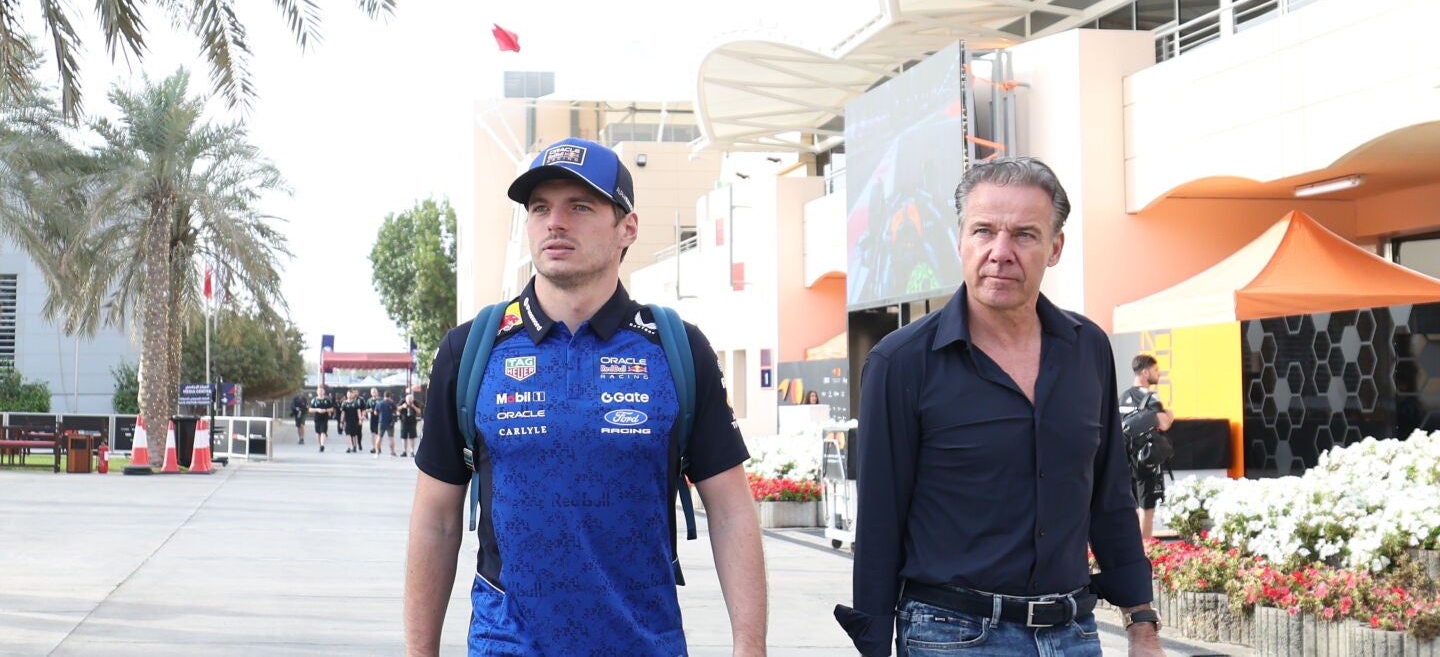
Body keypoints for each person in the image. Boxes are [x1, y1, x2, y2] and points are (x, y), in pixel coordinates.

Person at [404, 137, 767, 656]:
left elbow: (730, 512)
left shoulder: (676, 349)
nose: (555, 223)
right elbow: (436, 521)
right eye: (540, 208)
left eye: (579, 206)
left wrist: (750, 647)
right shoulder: (472, 350)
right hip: (506, 645)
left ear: (628, 228)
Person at [834, 157, 1164, 657]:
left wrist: (1142, 626)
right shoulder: (900, 362)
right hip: (952, 636)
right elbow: (880, 518)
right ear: (960, 240)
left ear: (1055, 248)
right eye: (984, 231)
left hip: (1073, 635)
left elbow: (1111, 498)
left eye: (1024, 235)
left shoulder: (1088, 348)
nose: (1000, 252)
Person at [1121, 355, 1175, 539]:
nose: (1158, 374)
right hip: (1146, 461)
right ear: (1145, 372)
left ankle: (1131, 546)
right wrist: (1169, 414)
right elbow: (1164, 423)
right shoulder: (1149, 396)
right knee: (1147, 510)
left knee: (1132, 509)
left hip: (1125, 460)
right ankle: (1145, 548)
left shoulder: (1122, 397)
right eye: (1155, 370)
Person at [309, 386, 335, 452]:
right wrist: (317, 410)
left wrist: (325, 410)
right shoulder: (314, 400)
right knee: (318, 433)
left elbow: (332, 409)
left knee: (323, 431)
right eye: (319, 391)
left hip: (324, 418)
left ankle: (322, 445)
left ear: (324, 392)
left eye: (321, 391)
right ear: (317, 392)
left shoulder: (327, 400)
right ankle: (320, 445)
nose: (320, 392)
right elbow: (310, 409)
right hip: (317, 418)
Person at [397, 393, 421, 457]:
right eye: (408, 401)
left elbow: (419, 411)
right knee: (404, 437)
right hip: (404, 422)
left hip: (412, 422)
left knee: (412, 437)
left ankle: (412, 451)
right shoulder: (402, 401)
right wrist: (402, 406)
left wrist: (413, 406)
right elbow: (397, 409)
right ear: (406, 400)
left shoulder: (415, 402)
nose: (409, 402)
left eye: (411, 401)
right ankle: (404, 451)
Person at [375, 390, 398, 457]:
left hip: (381, 422)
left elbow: (376, 412)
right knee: (391, 438)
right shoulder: (392, 403)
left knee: (379, 437)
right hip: (390, 423)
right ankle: (393, 452)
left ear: (384, 396)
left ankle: (377, 452)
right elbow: (395, 411)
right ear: (390, 396)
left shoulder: (379, 403)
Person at [342, 389, 365, 453]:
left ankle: (355, 446)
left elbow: (358, 412)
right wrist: (341, 422)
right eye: (348, 394)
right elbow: (343, 413)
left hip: (355, 421)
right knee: (348, 434)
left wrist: (360, 419)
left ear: (352, 395)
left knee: (354, 434)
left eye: (350, 394)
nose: (349, 395)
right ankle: (349, 447)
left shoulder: (356, 403)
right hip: (347, 421)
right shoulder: (344, 403)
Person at [367, 386, 382, 453]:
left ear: (377, 392)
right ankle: (374, 447)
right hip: (372, 418)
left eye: (375, 392)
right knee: (373, 434)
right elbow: (366, 409)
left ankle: (378, 447)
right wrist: (369, 410)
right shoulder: (369, 400)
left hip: (379, 419)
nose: (374, 393)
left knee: (379, 434)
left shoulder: (380, 400)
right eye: (373, 392)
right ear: (371, 393)